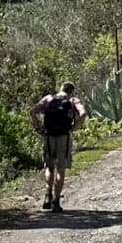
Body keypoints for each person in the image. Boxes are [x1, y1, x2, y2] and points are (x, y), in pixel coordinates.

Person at [30, 81, 85, 212]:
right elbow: (83, 114)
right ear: (71, 91)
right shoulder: (73, 100)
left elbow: (32, 111)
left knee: (49, 167)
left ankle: (47, 197)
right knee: (61, 169)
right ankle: (56, 201)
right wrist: (73, 128)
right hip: (64, 137)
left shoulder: (49, 99)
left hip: (49, 136)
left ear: (60, 88)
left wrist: (38, 128)